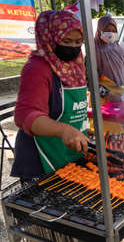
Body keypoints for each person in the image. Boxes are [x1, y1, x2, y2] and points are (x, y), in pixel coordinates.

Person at [12, 11, 90, 181]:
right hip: (41, 159)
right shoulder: (37, 68)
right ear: (50, 39)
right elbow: (25, 115)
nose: (73, 47)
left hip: (69, 155)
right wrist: (64, 130)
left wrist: (82, 128)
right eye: (66, 41)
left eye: (78, 42)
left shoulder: (76, 65)